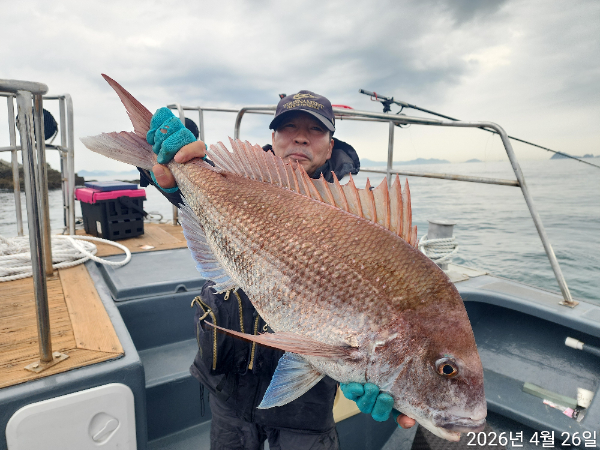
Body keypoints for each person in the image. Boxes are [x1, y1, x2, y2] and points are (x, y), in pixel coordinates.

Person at [140, 91, 415, 450]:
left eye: (315, 130)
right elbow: (201, 196)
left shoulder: (356, 221)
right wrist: (173, 164)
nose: (300, 137)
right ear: (273, 137)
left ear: (330, 146)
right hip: (228, 383)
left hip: (305, 408)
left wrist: (395, 379)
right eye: (288, 127)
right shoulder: (237, 180)